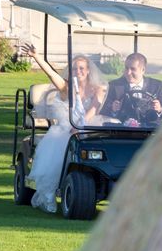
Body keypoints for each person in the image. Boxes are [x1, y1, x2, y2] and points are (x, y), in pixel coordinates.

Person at [21, 43, 106, 213]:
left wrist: (80, 126)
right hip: (66, 129)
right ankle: (52, 192)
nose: (78, 71)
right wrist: (37, 57)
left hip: (86, 126)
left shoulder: (97, 89)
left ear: (88, 70)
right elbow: (51, 73)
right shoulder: (66, 87)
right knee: (61, 147)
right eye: (75, 68)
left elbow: (93, 110)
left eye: (81, 68)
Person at [99, 52, 162, 125]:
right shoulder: (114, 85)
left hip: (149, 130)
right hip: (122, 130)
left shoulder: (156, 85)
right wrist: (113, 109)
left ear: (143, 70)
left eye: (133, 69)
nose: (128, 72)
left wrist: (159, 109)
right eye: (126, 68)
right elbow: (102, 111)